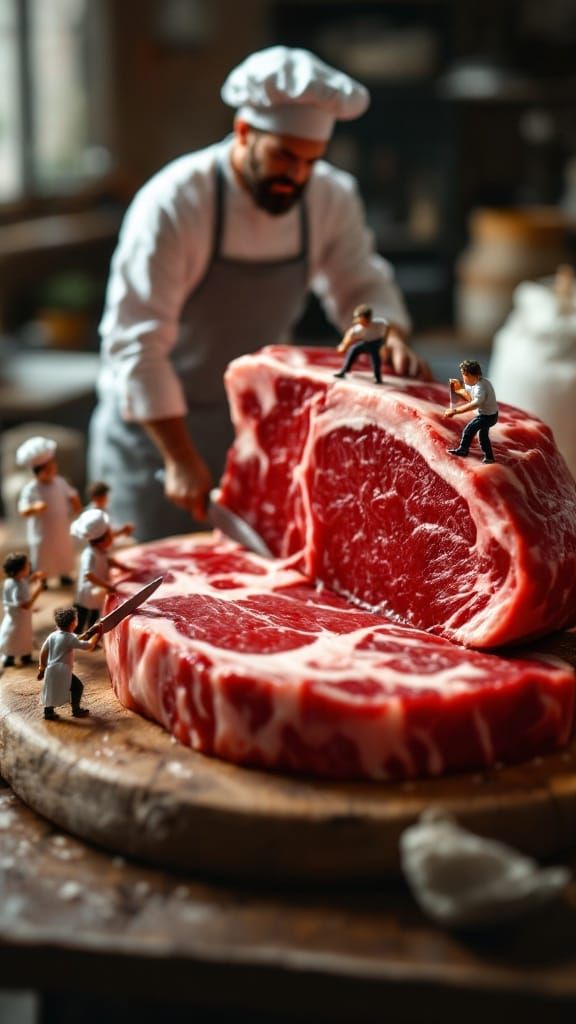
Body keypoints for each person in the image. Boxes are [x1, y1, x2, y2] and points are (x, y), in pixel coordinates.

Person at [88, 46, 429, 542]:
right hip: (154, 437)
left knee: (249, 598)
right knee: (149, 592)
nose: (296, 177)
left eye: (310, 162)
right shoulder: (176, 202)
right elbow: (135, 343)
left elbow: (359, 282)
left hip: (252, 427)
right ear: (244, 132)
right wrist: (180, 457)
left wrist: (388, 332)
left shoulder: (329, 197)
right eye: (284, 157)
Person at [16, 436, 82, 584]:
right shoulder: (31, 489)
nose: (51, 471)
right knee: (44, 556)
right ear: (36, 472)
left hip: (61, 527)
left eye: (52, 466)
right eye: (46, 469)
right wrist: (34, 508)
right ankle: (43, 579)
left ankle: (64, 574)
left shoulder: (60, 481)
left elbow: (72, 494)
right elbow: (23, 509)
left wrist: (76, 506)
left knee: (63, 551)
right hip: (43, 531)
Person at [37, 606, 100, 720]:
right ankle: (76, 710)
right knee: (77, 687)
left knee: (50, 689)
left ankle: (48, 712)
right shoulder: (71, 638)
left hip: (51, 669)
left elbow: (43, 651)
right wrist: (97, 635)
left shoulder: (53, 635)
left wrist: (42, 667)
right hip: (63, 670)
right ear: (73, 623)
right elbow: (88, 646)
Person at [70, 509, 127, 634]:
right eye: (111, 534)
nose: (113, 536)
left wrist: (123, 568)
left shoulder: (101, 550)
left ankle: (91, 636)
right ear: (103, 540)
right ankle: (74, 637)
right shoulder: (89, 554)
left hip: (97, 592)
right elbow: (88, 574)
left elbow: (108, 561)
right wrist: (106, 585)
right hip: (87, 593)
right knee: (82, 615)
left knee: (95, 615)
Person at [444, 360, 499, 464]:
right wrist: (459, 388)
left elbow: (475, 404)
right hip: (489, 414)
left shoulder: (481, 387)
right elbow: (469, 393)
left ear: (471, 375)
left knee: (469, 430)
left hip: (488, 417)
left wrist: (455, 411)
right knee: (483, 437)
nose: (463, 377)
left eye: (464, 375)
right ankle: (489, 457)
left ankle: (463, 450)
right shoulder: (478, 382)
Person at [0, 553, 45, 668]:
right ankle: (21, 657)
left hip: (14, 616)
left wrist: (32, 578)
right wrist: (38, 589)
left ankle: (11, 656)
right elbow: (25, 604)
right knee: (21, 637)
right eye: (27, 566)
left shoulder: (11, 581)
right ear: (20, 570)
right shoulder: (18, 585)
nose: (29, 567)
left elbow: (23, 585)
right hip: (20, 619)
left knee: (13, 637)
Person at [334, 304, 391, 383]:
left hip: (377, 343)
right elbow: (350, 334)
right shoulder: (359, 328)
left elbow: (387, 325)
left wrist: (385, 339)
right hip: (367, 343)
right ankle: (343, 371)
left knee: (375, 357)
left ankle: (378, 377)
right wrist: (344, 345)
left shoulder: (379, 323)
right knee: (353, 349)